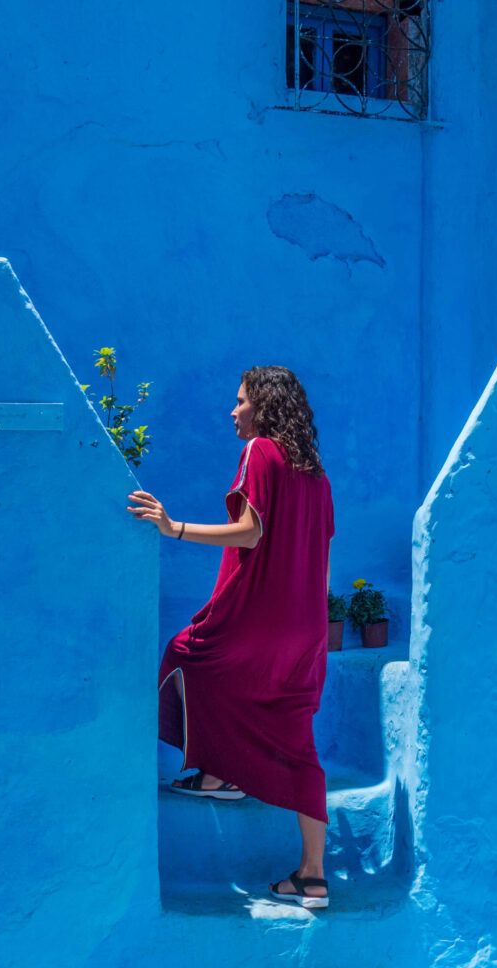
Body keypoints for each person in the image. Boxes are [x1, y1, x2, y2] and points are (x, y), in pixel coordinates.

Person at [126, 366, 335, 909]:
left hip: (256, 614)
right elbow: (321, 553)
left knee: (186, 654)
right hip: (305, 625)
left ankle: (220, 771)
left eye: (240, 401)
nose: (233, 411)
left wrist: (174, 528)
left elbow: (252, 530)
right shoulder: (316, 473)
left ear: (263, 406)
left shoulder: (260, 451)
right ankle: (313, 876)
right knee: (298, 740)